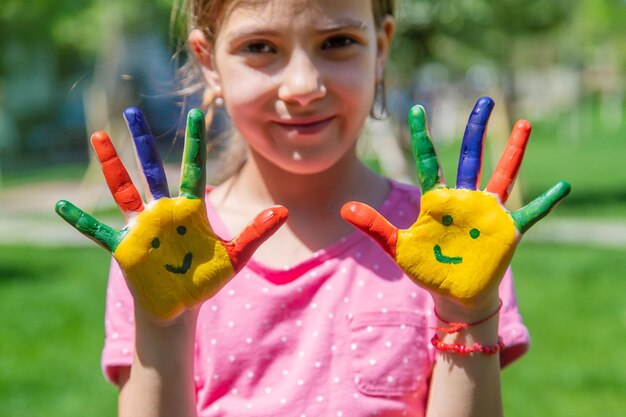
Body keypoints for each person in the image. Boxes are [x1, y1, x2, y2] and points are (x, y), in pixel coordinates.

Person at [55, 0, 570, 416]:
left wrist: (467, 314)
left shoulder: (455, 241)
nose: (303, 86)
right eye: (260, 47)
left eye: (338, 42)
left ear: (382, 48)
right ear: (209, 62)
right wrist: (163, 324)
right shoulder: (161, 252)